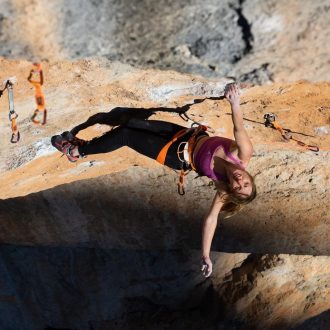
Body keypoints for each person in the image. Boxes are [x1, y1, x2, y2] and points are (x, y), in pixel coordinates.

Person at [51, 83, 256, 277]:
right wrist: (235, 102)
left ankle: (77, 151)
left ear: (231, 189)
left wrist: (205, 256)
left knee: (126, 136)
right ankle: (88, 145)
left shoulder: (222, 185)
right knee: (130, 123)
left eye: (238, 188)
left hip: (175, 155)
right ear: (250, 178)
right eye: (246, 184)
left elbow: (211, 220)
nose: (240, 182)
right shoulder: (242, 155)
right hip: (185, 136)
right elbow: (239, 129)